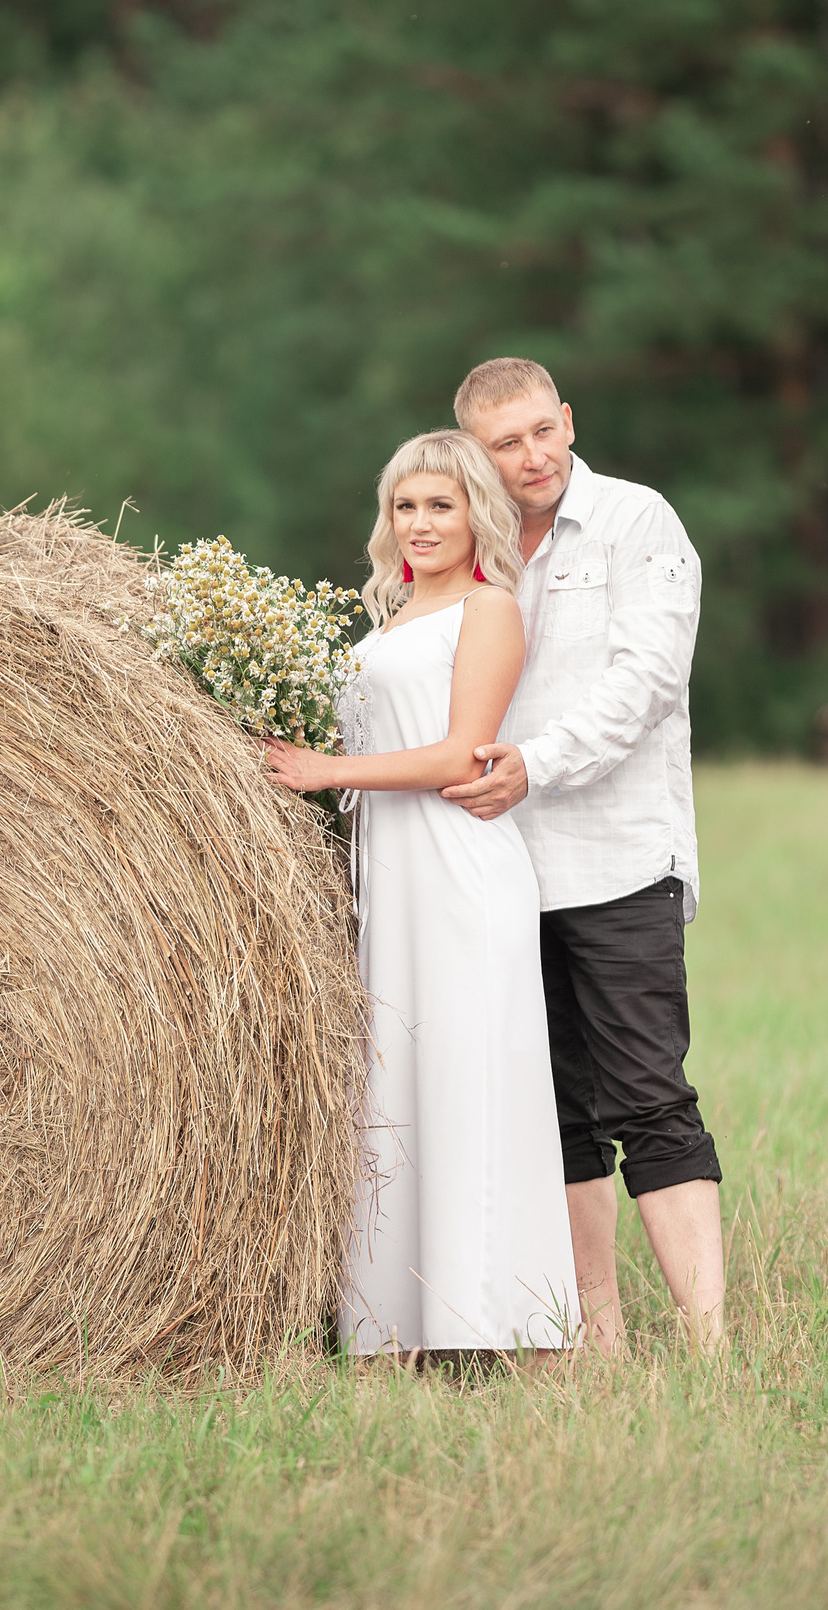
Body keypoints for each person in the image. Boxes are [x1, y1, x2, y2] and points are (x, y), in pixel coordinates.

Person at [264, 429, 579, 1359]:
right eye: (406, 506)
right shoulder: (392, 618)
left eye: (440, 504)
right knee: (400, 1088)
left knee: (468, 1077)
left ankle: (490, 1320)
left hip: (459, 871)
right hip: (392, 879)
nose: (421, 522)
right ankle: (395, 1320)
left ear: (475, 512)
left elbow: (459, 754)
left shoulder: (489, 612)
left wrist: (327, 770)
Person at [439, 357, 726, 1354]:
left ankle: (708, 1342)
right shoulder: (464, 548)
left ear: (566, 419)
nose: (531, 458)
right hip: (498, 869)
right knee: (554, 1113)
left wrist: (536, 765)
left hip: (615, 858)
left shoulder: (637, 522)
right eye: (504, 444)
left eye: (541, 432)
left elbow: (646, 683)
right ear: (476, 451)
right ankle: (594, 1341)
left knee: (650, 1095)